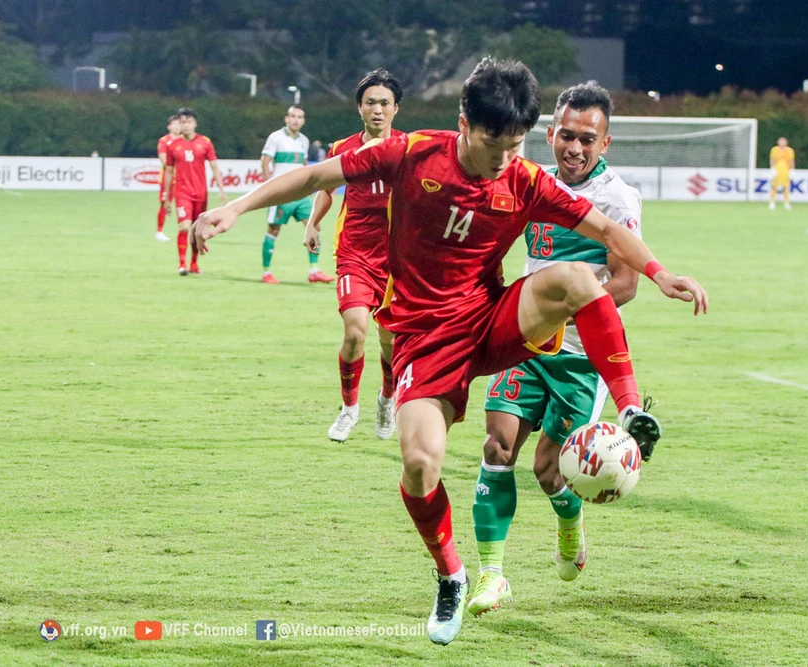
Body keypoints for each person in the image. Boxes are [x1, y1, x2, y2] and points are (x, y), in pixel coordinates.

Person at [193, 58, 708, 646]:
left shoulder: (524, 180)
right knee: (419, 465)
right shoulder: (412, 153)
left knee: (576, 279)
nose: (505, 159)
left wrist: (661, 274)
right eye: (494, 144)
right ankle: (452, 575)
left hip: (491, 320)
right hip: (423, 338)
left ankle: (630, 408)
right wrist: (233, 207)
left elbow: (611, 233)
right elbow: (315, 177)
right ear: (464, 123)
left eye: (515, 145)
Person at [467, 81, 644, 617]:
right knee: (497, 449)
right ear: (550, 134)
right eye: (567, 135)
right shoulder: (532, 183)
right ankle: (491, 576)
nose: (575, 148)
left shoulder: (616, 199)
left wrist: (557, 312)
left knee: (551, 471)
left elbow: (625, 285)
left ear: (605, 143)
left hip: (581, 358)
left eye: (588, 139)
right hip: (523, 345)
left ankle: (570, 519)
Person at [304, 69, 405, 441]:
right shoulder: (341, 149)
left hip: (398, 260)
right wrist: (313, 223)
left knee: (390, 342)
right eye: (370, 103)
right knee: (354, 332)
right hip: (355, 254)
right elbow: (325, 187)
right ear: (359, 107)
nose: (377, 110)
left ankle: (387, 399)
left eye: (384, 103)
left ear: (395, 108)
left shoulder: (410, 149)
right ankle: (349, 409)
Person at [258, 105, 330, 284]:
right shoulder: (276, 137)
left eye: (300, 117)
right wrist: (270, 187)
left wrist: (309, 188)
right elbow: (265, 162)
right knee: (274, 230)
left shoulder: (304, 141)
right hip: (281, 193)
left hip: (301, 194)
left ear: (303, 120)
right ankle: (266, 273)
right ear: (287, 119)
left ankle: (314, 271)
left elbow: (304, 167)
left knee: (314, 226)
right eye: (293, 116)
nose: (296, 120)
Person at [164, 107, 226, 275]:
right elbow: (169, 171)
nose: (186, 125)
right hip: (182, 192)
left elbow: (214, 166)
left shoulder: (205, 142)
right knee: (184, 227)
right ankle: (182, 264)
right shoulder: (173, 145)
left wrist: (221, 189)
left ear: (195, 123)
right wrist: (167, 196)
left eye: (189, 122)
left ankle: (194, 264)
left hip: (200, 193)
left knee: (196, 229)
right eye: (183, 122)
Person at [155, 114, 181, 242]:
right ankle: (159, 231)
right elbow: (164, 160)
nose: (177, 127)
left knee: (185, 204)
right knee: (165, 203)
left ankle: (188, 230)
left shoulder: (184, 140)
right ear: (169, 127)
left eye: (179, 124)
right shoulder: (164, 141)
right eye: (174, 124)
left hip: (183, 178)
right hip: (167, 178)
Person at [769, 137, 795, 210]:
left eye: (783, 141)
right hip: (777, 169)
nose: (782, 143)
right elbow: (772, 159)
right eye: (781, 141)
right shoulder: (775, 149)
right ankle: (772, 202)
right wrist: (773, 169)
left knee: (785, 186)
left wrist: (792, 170)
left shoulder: (790, 150)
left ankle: (786, 202)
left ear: (786, 142)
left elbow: (791, 160)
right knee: (774, 186)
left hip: (786, 170)